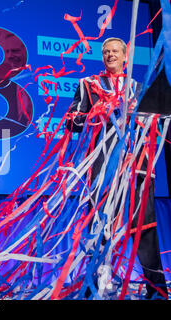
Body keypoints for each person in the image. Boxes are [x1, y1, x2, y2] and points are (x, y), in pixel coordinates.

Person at [66, 37, 168, 299]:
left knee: (143, 224)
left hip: (135, 164)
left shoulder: (137, 88)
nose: (110, 55)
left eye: (115, 52)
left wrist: (143, 117)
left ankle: (155, 286)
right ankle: (95, 281)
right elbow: (72, 123)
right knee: (98, 222)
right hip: (101, 164)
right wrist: (93, 113)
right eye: (106, 52)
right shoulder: (88, 86)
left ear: (125, 57)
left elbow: (151, 124)